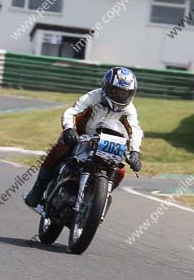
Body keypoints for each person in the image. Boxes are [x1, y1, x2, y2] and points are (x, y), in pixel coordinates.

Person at [24, 67, 144, 207]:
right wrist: (69, 129)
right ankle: (38, 189)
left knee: (121, 172)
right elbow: (72, 112)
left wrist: (135, 152)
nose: (120, 95)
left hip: (108, 142)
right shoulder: (92, 97)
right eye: (116, 90)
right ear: (106, 87)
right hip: (82, 135)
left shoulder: (129, 109)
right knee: (61, 146)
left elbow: (135, 130)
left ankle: (99, 198)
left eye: (125, 93)